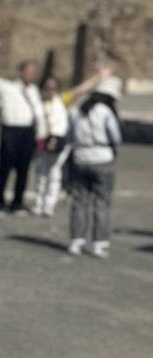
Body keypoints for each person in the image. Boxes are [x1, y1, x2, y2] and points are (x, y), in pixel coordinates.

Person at [64, 69, 122, 258]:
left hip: (81, 156)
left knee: (79, 201)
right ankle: (99, 242)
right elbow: (115, 136)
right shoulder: (105, 111)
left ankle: (76, 240)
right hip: (102, 158)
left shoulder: (77, 110)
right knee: (102, 202)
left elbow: (70, 134)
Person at [0, 56, 42, 213]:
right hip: (10, 130)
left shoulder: (34, 91)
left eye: (33, 72)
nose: (31, 75)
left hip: (27, 132)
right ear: (21, 72)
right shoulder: (9, 87)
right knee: (5, 168)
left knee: (23, 169)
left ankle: (17, 202)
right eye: (28, 71)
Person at [30, 75, 70, 217]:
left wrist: (99, 77)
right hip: (41, 142)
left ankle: (49, 205)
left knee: (54, 173)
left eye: (53, 88)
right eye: (47, 88)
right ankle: (38, 204)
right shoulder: (37, 104)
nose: (50, 91)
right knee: (41, 174)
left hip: (58, 141)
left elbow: (80, 90)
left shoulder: (62, 101)